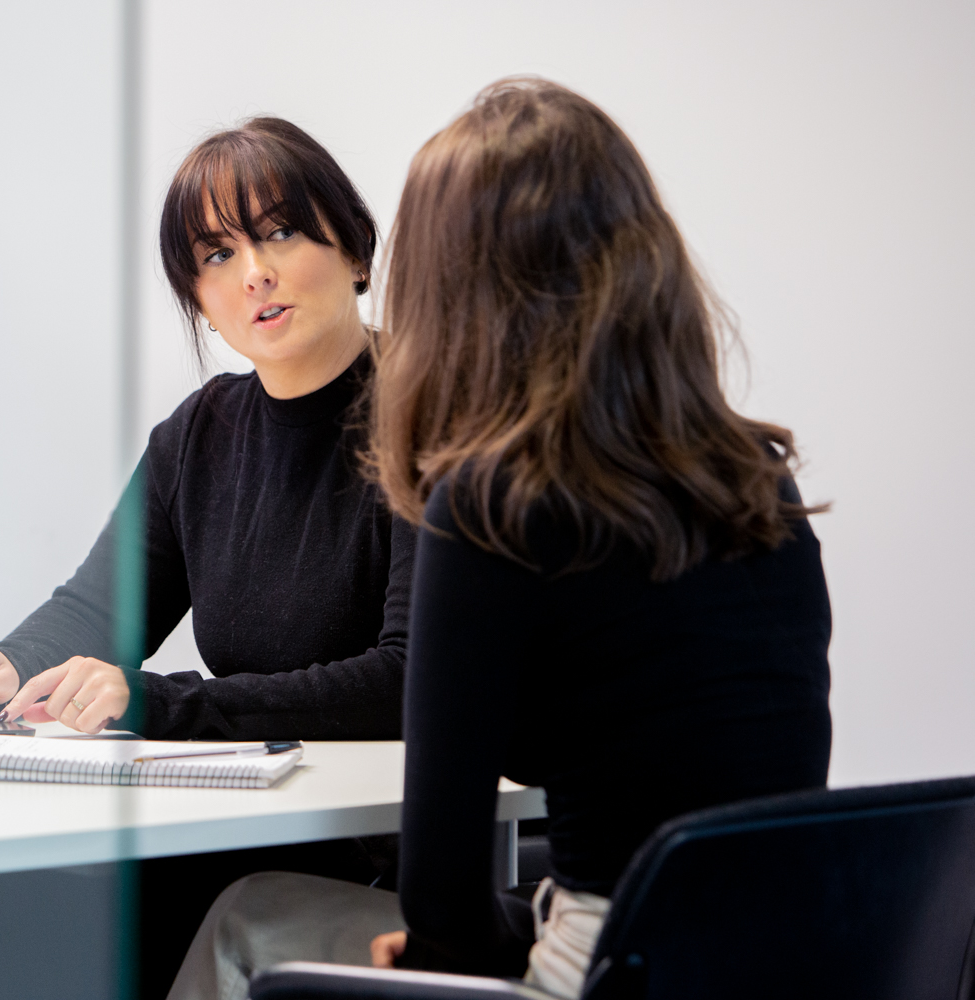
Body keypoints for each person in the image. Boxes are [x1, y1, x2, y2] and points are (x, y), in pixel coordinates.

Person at [164, 77, 833, 1000]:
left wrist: (467, 942)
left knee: (248, 911)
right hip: (790, 960)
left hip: (608, 972)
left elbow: (440, 898)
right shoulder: (759, 479)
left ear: (453, 286)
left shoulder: (489, 504)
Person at [0, 117, 415, 1000]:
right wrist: (5, 665)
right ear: (198, 297)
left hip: (357, 840)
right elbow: (100, 611)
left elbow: (402, 680)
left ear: (355, 247)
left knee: (52, 914)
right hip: (233, 818)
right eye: (216, 255)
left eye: (280, 230)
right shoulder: (200, 435)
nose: (256, 273)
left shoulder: (431, 420)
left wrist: (158, 704)